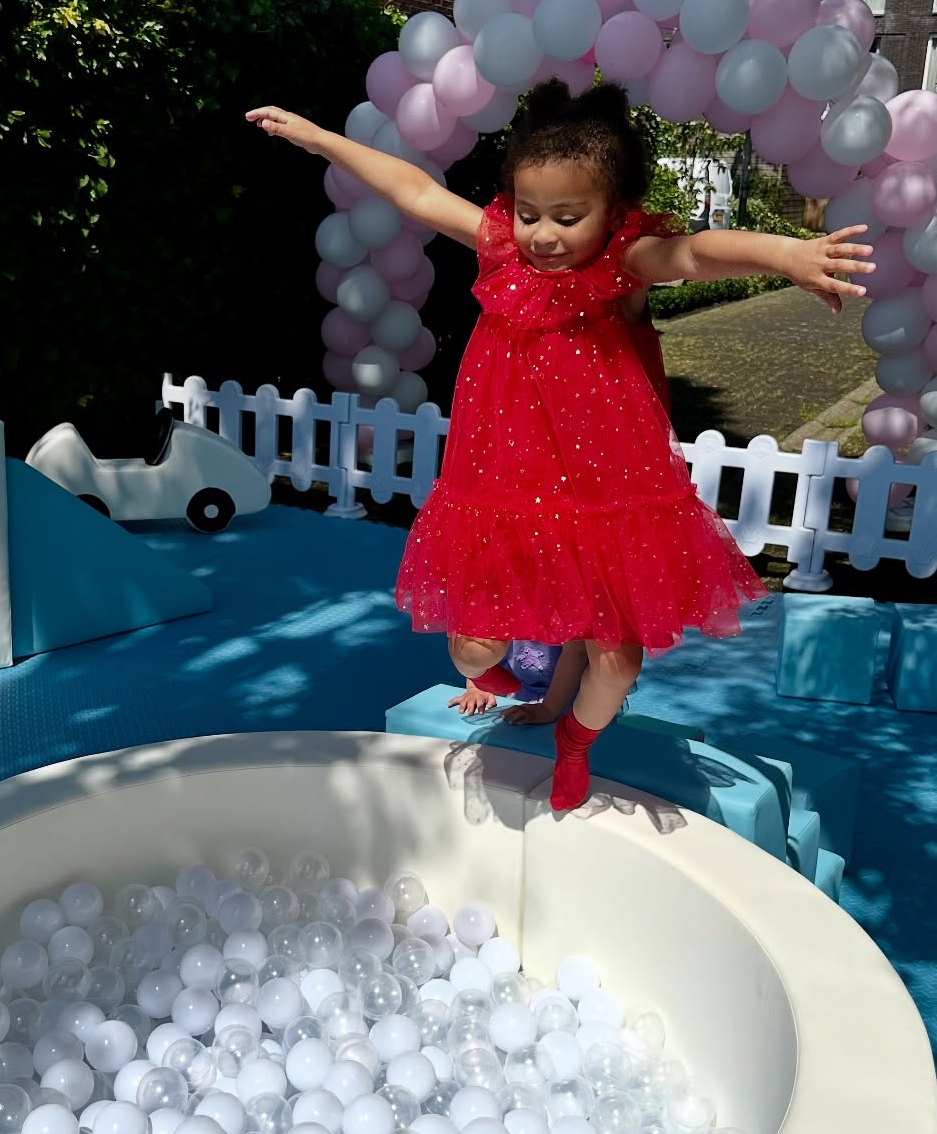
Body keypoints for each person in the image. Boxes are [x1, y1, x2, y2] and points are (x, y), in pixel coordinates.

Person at [247, 83, 873, 812]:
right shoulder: (500, 248)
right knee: (473, 652)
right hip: (502, 486)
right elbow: (416, 191)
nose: (543, 235)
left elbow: (696, 253)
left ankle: (576, 741)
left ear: (611, 213)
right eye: (529, 211)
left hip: (605, 488)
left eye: (568, 218)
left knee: (618, 652)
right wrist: (317, 136)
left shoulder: (622, 263)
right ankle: (512, 678)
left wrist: (788, 254)